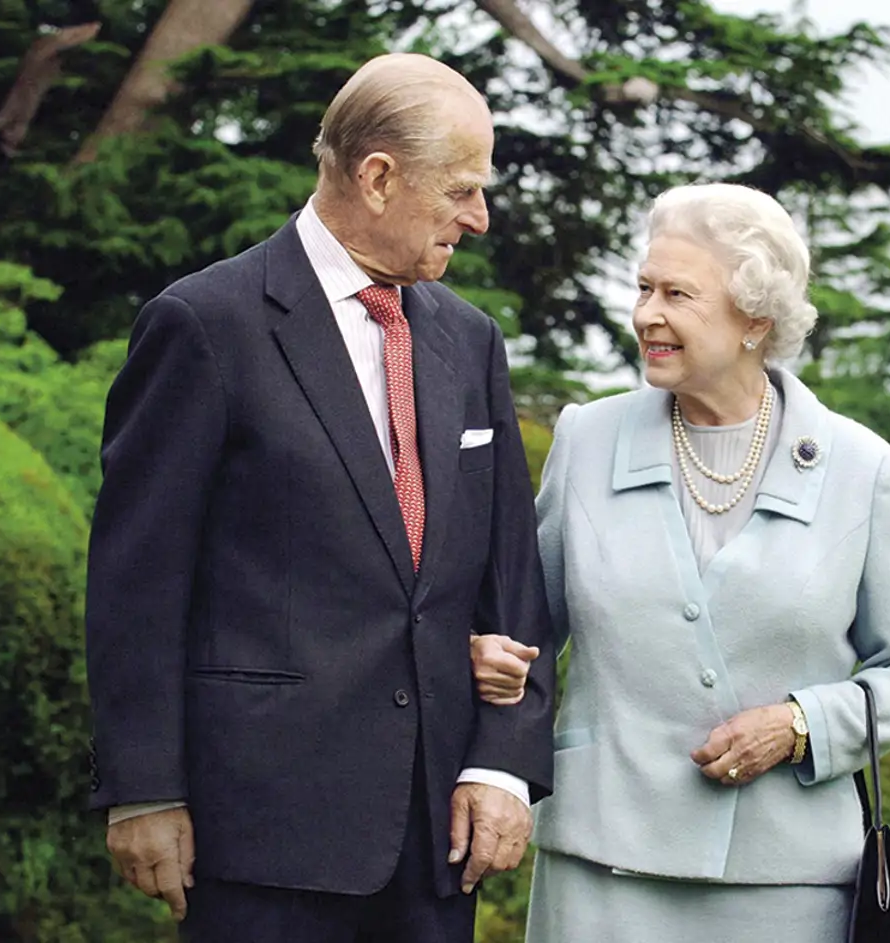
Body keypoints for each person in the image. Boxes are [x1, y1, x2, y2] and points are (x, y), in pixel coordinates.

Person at [84, 53, 554, 943]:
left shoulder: (469, 339)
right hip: (261, 834)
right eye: (462, 189)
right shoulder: (203, 324)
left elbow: (510, 577)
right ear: (378, 177)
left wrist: (504, 765)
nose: (480, 218)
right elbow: (135, 584)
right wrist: (143, 787)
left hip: (435, 840)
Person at [470, 183, 890, 942]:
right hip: (602, 868)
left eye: (677, 294)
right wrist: (486, 649)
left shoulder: (861, 468)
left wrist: (801, 724)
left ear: (755, 320)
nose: (646, 314)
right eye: (642, 287)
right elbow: (524, 624)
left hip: (788, 883)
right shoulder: (587, 440)